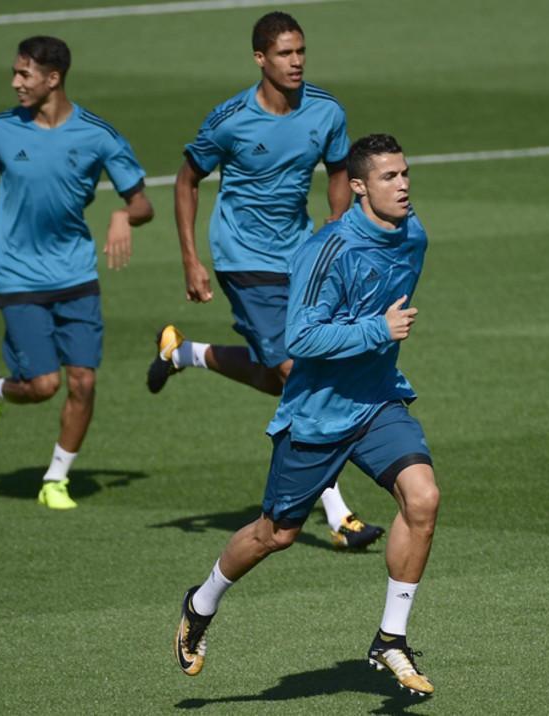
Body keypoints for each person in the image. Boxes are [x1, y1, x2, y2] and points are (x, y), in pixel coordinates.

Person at [173, 135, 441, 697]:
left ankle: (391, 638)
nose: (404, 184)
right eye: (390, 177)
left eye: (406, 173)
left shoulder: (413, 235)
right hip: (318, 415)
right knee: (276, 535)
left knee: (423, 498)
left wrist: (375, 345)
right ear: (360, 187)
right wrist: (375, 330)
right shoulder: (328, 249)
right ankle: (201, 603)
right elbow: (298, 337)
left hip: (377, 400)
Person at [147, 11, 381, 549]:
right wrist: (190, 259)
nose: (296, 62)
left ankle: (185, 354)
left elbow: (340, 169)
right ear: (260, 58)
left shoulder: (325, 111)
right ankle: (338, 513)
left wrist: (337, 225)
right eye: (284, 53)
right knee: (300, 372)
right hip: (242, 259)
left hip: (300, 254)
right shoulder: (230, 119)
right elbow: (186, 181)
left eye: (301, 51)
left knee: (283, 378)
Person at [0, 35, 154, 510]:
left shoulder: (98, 135)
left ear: (53, 78)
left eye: (23, 74)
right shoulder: (0, 131)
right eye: (15, 73)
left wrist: (121, 216)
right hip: (18, 275)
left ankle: (55, 478)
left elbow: (142, 203)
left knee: (83, 382)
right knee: (43, 386)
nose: (15, 82)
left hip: (75, 273)